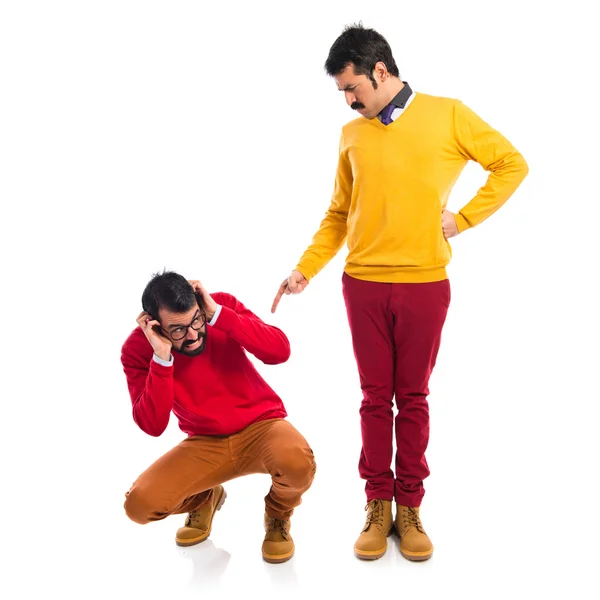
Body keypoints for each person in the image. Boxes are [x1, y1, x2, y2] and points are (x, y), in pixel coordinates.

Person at [272, 23, 528, 562]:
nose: (347, 100)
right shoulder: (353, 134)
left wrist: (463, 219)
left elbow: (511, 164)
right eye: (342, 91)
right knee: (372, 399)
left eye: (352, 88)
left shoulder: (449, 114)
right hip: (361, 284)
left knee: (411, 399)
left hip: (423, 285)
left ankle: (410, 506)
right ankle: (377, 504)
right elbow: (340, 212)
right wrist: (305, 269)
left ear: (380, 71)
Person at [121, 271, 315, 564]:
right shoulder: (137, 349)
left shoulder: (219, 309)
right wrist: (161, 358)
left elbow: (280, 351)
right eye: (177, 330)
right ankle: (204, 497)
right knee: (139, 505)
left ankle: (277, 515)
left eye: (195, 320)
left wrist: (218, 316)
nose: (193, 334)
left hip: (262, 426)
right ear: (155, 326)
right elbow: (152, 425)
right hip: (204, 443)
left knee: (298, 463)